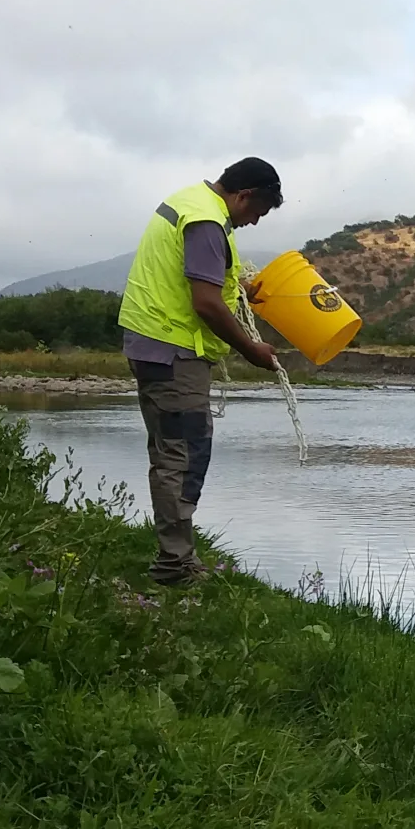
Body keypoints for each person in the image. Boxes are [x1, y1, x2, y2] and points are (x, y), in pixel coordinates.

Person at [114, 157, 283, 585]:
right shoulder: (208, 221)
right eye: (257, 212)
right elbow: (205, 302)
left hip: (153, 345)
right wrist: (250, 349)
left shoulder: (191, 202)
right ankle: (175, 566)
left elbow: (199, 280)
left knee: (172, 452)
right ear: (243, 196)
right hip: (174, 353)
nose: (255, 222)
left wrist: (240, 291)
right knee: (183, 456)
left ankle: (177, 556)